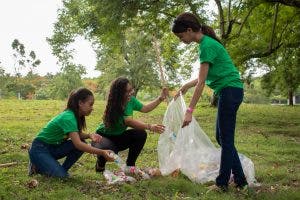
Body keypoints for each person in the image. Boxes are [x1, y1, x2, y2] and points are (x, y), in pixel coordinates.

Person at [172, 12, 248, 191]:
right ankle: (240, 180)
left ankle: (222, 184)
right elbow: (202, 78)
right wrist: (186, 85)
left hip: (230, 91)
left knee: (226, 140)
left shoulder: (206, 45)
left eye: (181, 36)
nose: (181, 40)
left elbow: (201, 83)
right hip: (229, 91)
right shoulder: (206, 44)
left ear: (190, 30)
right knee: (222, 138)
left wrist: (189, 111)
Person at [28, 88, 114, 178]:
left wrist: (89, 135)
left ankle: (60, 170)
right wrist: (102, 152)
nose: (92, 108)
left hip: (53, 147)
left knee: (62, 173)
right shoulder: (69, 117)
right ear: (80, 103)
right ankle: (37, 164)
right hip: (40, 148)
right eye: (90, 104)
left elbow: (76, 135)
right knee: (62, 175)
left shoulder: (74, 115)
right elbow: (78, 144)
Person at [92, 77, 168, 174]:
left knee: (140, 134)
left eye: (131, 89)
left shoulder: (130, 100)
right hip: (102, 137)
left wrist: (160, 98)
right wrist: (149, 126)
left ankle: (130, 166)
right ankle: (100, 164)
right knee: (110, 150)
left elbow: (145, 108)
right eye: (127, 91)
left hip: (119, 136)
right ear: (119, 93)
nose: (131, 92)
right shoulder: (114, 105)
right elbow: (129, 122)